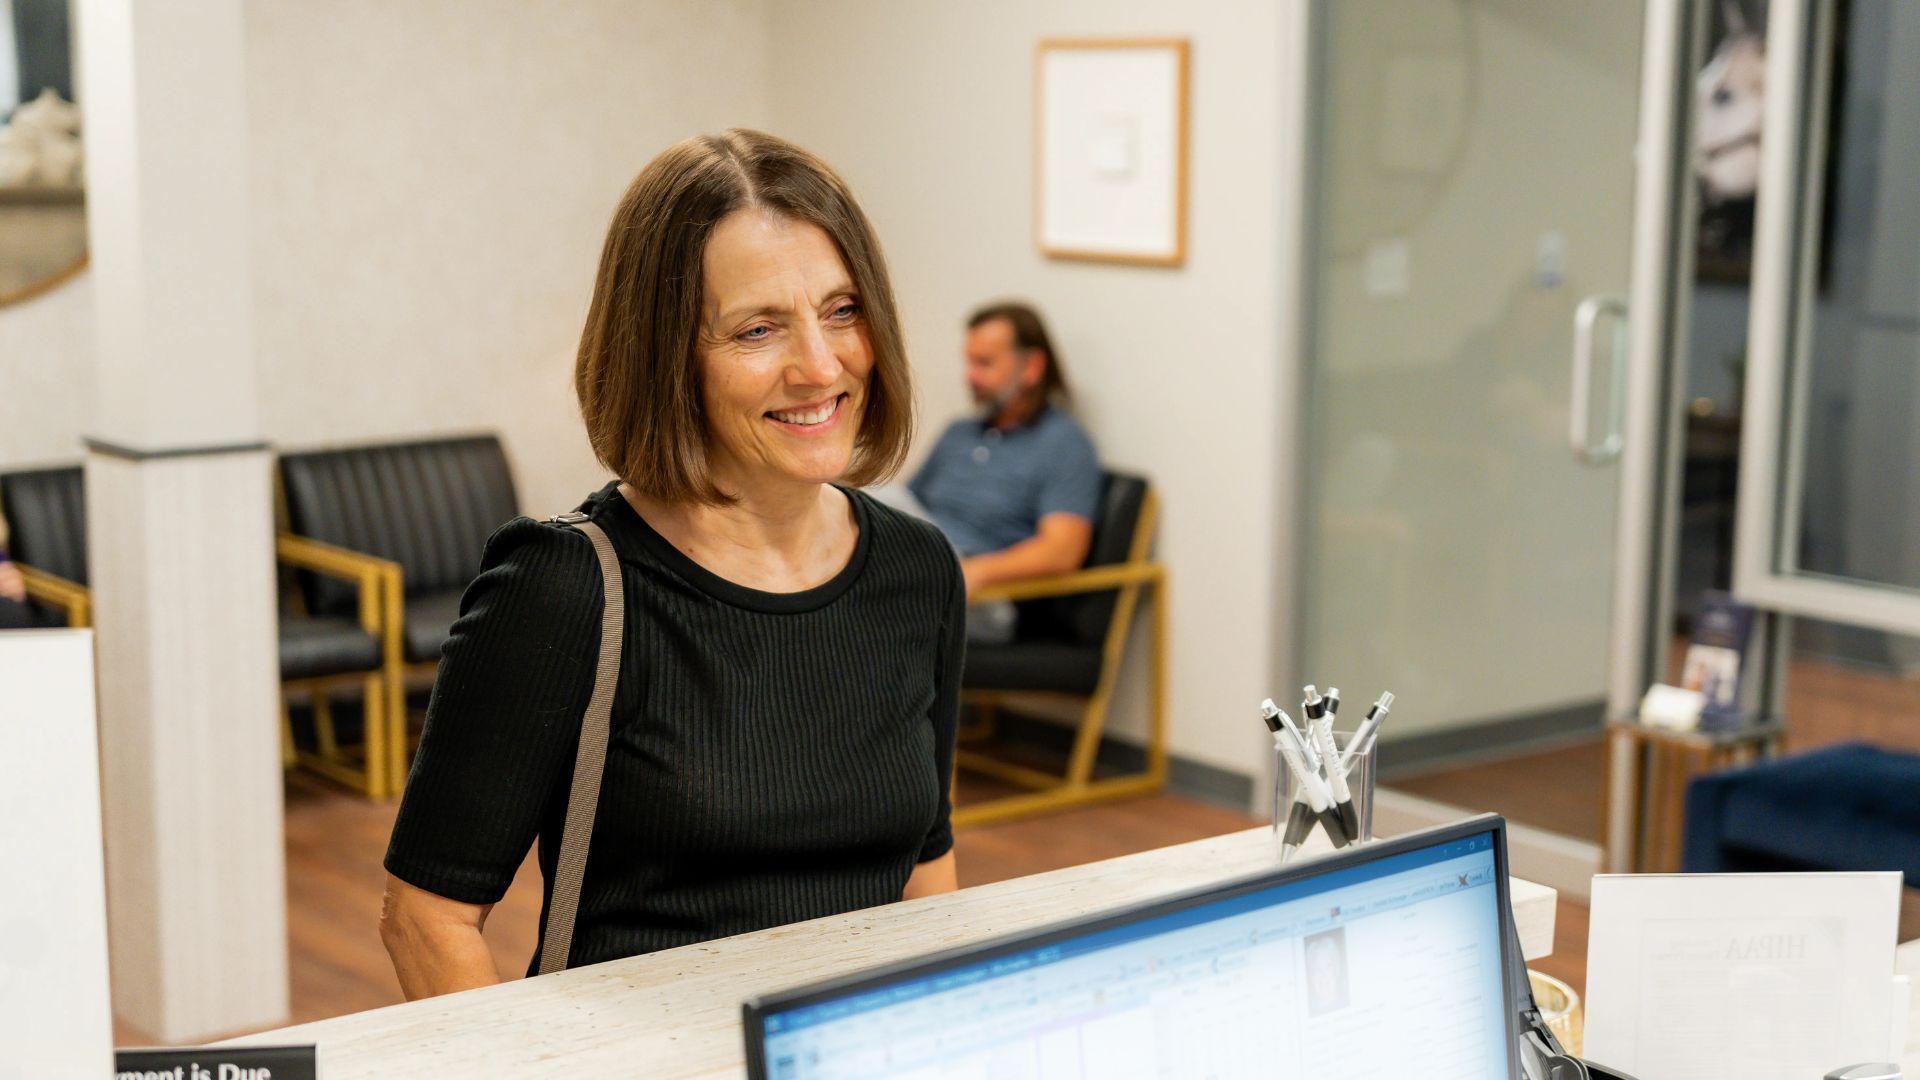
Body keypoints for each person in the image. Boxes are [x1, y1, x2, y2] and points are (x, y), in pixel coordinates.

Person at [379, 130, 963, 999]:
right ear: (665, 359)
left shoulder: (917, 570)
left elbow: (926, 868)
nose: (821, 364)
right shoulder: (564, 587)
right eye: (757, 329)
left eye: (842, 310)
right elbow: (426, 917)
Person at [905, 303, 1101, 637]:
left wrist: (974, 571)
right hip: (919, 566)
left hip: (982, 596)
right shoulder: (959, 432)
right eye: (969, 361)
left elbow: (1062, 550)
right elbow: (904, 503)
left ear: (1032, 367)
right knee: (864, 502)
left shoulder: (1064, 444)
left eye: (985, 363)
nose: (970, 376)